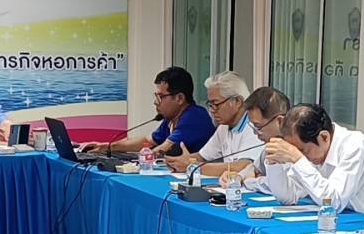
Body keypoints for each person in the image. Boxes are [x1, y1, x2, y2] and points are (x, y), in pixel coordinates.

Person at [258, 103, 364, 215]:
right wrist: (273, 162)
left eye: (303, 151)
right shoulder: (313, 150)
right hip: (341, 223)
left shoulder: (355, 145)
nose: (304, 157)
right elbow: (288, 197)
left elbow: (333, 202)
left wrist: (298, 159)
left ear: (324, 137)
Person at [80, 66, 214, 157]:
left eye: (160, 97)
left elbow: (161, 150)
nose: (155, 102)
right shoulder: (171, 117)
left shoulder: (194, 117)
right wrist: (106, 147)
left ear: (179, 98)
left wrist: (134, 161)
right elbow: (147, 141)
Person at [168, 71, 263, 176]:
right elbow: (202, 156)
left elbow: (243, 167)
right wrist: (176, 162)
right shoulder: (224, 127)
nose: (212, 110)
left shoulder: (255, 126)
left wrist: (192, 166)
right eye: (210, 104)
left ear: (237, 101)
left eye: (216, 104)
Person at [219, 87, 292, 189]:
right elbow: (254, 168)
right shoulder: (270, 147)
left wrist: (249, 181)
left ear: (279, 121)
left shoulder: (296, 148)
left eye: (258, 126)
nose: (255, 132)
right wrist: (237, 177)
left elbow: (280, 186)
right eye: (252, 126)